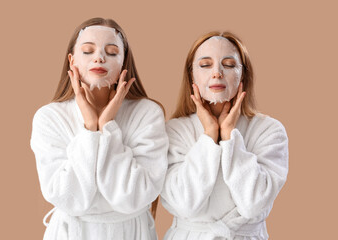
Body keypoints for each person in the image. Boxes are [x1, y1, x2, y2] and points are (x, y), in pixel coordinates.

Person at [30, 17, 168, 240]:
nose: (99, 57)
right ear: (71, 60)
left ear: (124, 63)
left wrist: (108, 127)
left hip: (131, 233)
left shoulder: (147, 113)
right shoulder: (49, 117)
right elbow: (67, 197)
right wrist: (89, 129)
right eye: (87, 50)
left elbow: (136, 195)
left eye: (112, 52)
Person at [160, 31, 289, 240]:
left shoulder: (269, 131)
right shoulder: (173, 131)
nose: (217, 73)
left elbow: (253, 204)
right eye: (205, 65)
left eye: (229, 65)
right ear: (191, 75)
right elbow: (185, 204)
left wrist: (229, 137)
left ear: (243, 76)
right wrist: (210, 136)